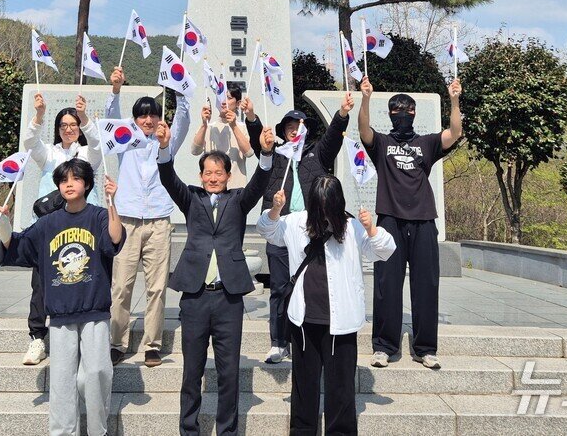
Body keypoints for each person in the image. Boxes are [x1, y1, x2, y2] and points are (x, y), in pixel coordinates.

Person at [156, 119, 275, 436]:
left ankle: (227, 431)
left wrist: (265, 153)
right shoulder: (190, 198)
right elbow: (168, 178)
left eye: (218, 173)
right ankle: (188, 429)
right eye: (208, 173)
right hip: (195, 297)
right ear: (201, 176)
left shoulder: (238, 201)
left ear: (228, 175)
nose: (213, 178)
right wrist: (165, 147)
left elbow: (260, 182)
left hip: (228, 299)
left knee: (228, 372)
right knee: (191, 372)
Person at [0, 159, 124, 436]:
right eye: (64, 180)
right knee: (62, 381)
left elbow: (114, 239)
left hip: (94, 308)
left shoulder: (99, 216)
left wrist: (113, 202)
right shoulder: (47, 223)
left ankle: (98, 431)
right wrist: (2, 224)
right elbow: (18, 246)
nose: (69, 184)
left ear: (87, 184)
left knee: (97, 373)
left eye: (75, 179)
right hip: (61, 312)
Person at [257, 175, 396, 435]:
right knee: (303, 387)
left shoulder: (352, 227)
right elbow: (267, 230)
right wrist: (275, 209)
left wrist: (371, 228)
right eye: (318, 207)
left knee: (341, 388)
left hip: (341, 323)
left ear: (337, 205)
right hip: (303, 320)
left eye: (328, 208)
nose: (323, 214)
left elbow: (384, 250)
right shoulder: (297, 221)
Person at [359, 75, 462, 370]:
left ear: (414, 113)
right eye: (396, 110)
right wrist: (365, 98)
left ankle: (425, 348)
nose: (402, 114)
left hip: (424, 221)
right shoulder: (382, 143)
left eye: (407, 109)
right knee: (386, 285)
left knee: (426, 285)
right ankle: (384, 347)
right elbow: (363, 129)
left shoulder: (426, 143)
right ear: (390, 114)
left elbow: (455, 132)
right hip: (389, 221)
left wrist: (454, 100)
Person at [243, 93, 353, 363]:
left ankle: (307, 340)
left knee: (311, 287)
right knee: (280, 288)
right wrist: (251, 118)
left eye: (299, 126)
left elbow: (333, 136)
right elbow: (260, 142)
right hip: (281, 229)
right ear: (284, 131)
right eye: (290, 127)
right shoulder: (276, 156)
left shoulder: (318, 155)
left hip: (313, 233)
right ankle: (279, 342)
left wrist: (342, 114)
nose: (295, 131)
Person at [106, 67, 190, 368]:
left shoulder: (166, 142)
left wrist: (180, 90)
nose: (148, 120)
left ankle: (152, 345)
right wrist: (115, 89)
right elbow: (111, 115)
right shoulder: (124, 140)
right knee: (121, 286)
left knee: (156, 287)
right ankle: (117, 343)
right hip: (127, 220)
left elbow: (183, 119)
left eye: (153, 115)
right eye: (142, 116)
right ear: (135, 119)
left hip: (158, 220)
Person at [20, 93, 103, 366]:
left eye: (74, 125)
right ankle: (37, 338)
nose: (69, 129)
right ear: (57, 129)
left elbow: (97, 144)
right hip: (50, 229)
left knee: (80, 279)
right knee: (40, 283)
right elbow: (30, 142)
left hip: (81, 230)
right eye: (63, 125)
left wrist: (86, 117)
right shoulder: (49, 154)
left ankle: (80, 337)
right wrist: (39, 114)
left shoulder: (86, 155)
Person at [190, 88, 253, 189]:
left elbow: (249, 153)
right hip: (211, 190)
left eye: (228, 98)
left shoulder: (242, 127)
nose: (223, 102)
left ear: (238, 103)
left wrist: (233, 126)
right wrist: (204, 124)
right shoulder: (209, 127)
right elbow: (195, 151)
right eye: (221, 97)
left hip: (236, 190)